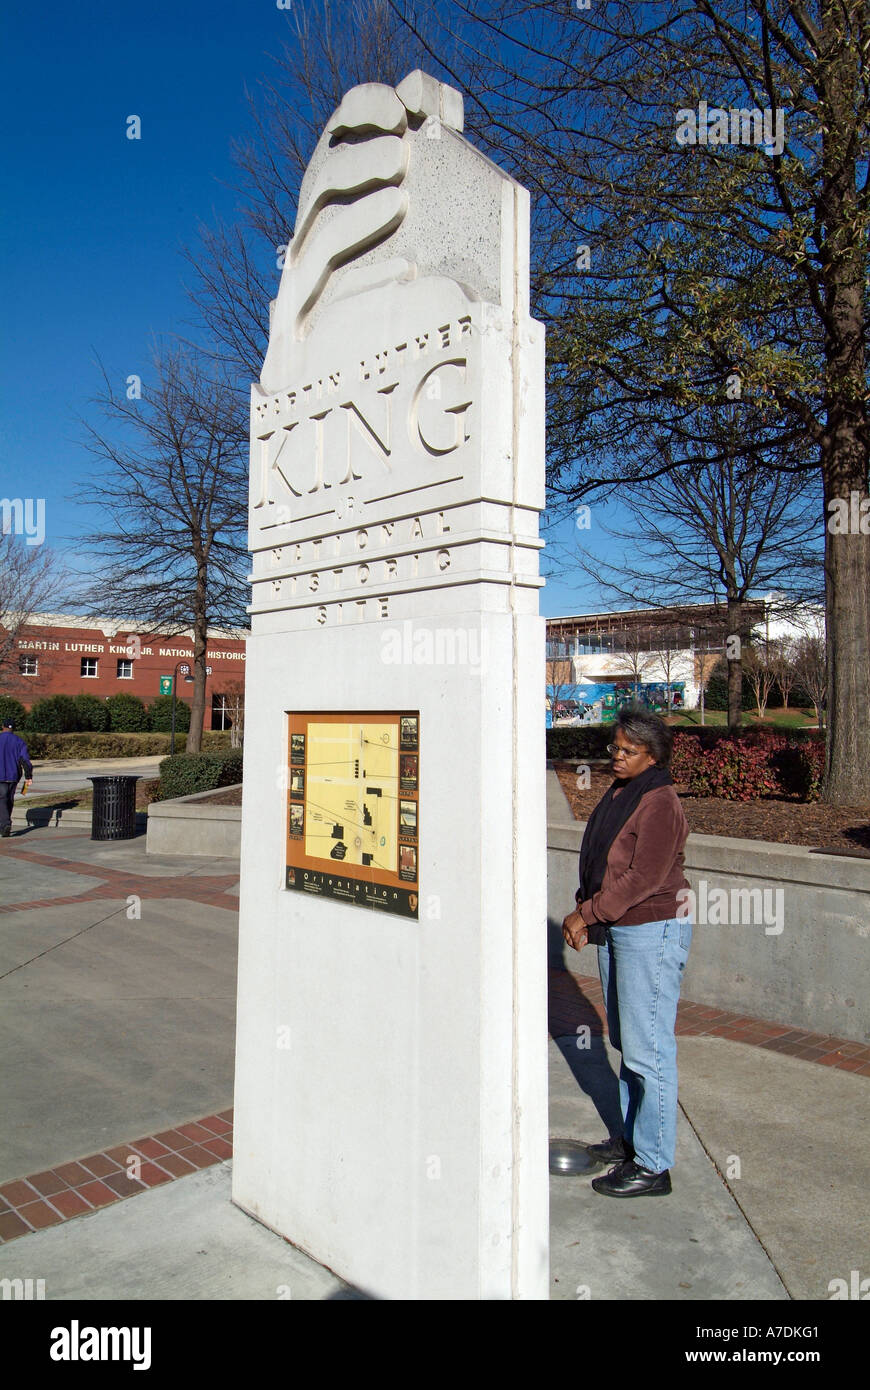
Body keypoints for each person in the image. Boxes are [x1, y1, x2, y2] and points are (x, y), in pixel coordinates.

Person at [561, 707, 691, 1198]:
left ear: (652, 756)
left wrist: (586, 915)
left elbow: (645, 878)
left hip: (651, 931)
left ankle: (653, 1166)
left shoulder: (659, 801)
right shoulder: (623, 792)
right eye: (614, 747)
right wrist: (587, 913)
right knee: (627, 1043)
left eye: (627, 751)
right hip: (621, 929)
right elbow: (603, 863)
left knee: (648, 1050)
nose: (615, 756)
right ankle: (631, 1143)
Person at [0, 718, 33, 837]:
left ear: (2, 726)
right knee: (9, 799)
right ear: (13, 728)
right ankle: (5, 822)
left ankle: (5, 824)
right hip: (14, 775)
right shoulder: (19, 741)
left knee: (2, 799)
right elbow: (25, 760)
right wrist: (28, 775)